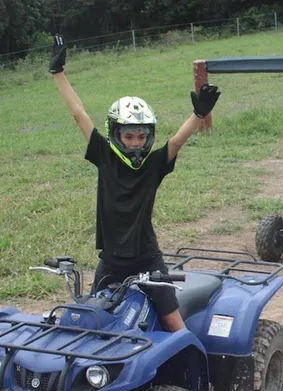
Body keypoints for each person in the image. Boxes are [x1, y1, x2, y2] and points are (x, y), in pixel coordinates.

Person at [50, 34, 221, 334]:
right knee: (92, 319)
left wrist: (199, 114)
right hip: (111, 261)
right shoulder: (105, 157)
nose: (135, 143)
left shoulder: (154, 164)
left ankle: (195, 369)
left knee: (171, 319)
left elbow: (178, 140)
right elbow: (78, 113)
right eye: (129, 136)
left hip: (147, 258)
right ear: (115, 135)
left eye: (141, 137)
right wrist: (58, 73)